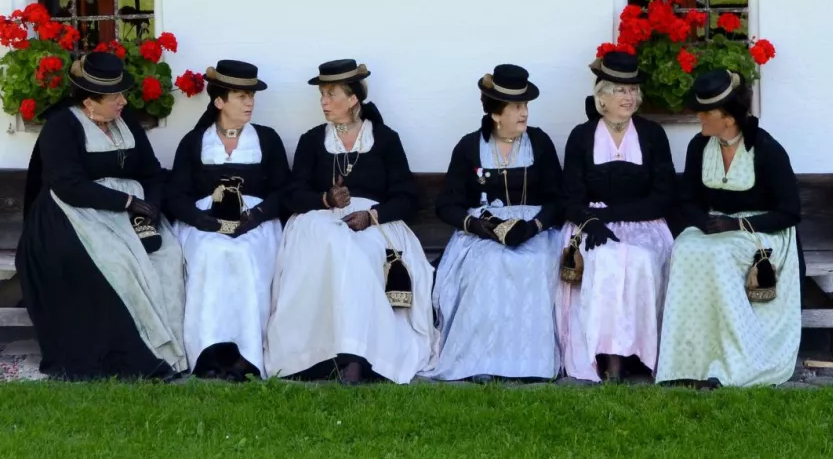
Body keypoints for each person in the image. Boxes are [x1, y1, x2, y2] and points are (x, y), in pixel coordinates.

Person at [17, 50, 187, 379]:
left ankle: (172, 351)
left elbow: (151, 172)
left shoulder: (128, 123)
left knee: (167, 255)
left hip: (131, 216)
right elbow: (66, 184)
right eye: (114, 96)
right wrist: (126, 201)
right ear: (90, 100)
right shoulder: (61, 126)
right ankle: (133, 357)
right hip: (70, 216)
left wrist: (149, 207)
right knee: (116, 263)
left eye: (122, 93)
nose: (123, 101)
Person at [266, 60, 433, 384]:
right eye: (322, 95)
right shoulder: (312, 140)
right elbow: (292, 193)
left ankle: (358, 354)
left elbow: (406, 196)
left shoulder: (384, 139)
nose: (323, 102)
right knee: (333, 243)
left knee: (359, 250)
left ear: (353, 98)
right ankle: (324, 354)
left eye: (331, 94)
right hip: (320, 220)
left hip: (375, 223)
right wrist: (325, 200)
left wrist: (372, 216)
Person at [657, 69, 802, 388]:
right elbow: (688, 198)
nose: (699, 117)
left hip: (762, 232)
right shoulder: (699, 147)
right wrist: (703, 223)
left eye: (706, 112)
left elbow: (790, 212)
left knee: (720, 254)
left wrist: (737, 224)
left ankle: (735, 361)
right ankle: (687, 362)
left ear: (728, 117)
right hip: (715, 227)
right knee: (685, 247)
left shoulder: (766, 150)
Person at [427, 64, 566, 381]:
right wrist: (475, 226)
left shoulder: (539, 144)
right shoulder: (469, 147)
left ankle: (531, 363)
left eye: (526, 106)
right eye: (517, 107)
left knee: (535, 264)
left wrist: (532, 227)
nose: (524, 113)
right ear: (496, 113)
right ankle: (481, 360)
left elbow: (559, 199)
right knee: (487, 265)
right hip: (483, 232)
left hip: (535, 231)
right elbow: (446, 203)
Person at [162, 60, 290, 380]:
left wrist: (257, 216)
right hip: (203, 222)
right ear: (219, 102)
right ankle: (209, 351)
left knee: (245, 256)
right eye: (241, 96)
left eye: (252, 96)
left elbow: (284, 191)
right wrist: (201, 220)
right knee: (211, 255)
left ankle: (245, 354)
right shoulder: (194, 142)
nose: (250, 103)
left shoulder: (267, 139)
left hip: (256, 223)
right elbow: (176, 194)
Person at [556, 50, 676, 382]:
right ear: (602, 97)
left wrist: (613, 215)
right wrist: (590, 220)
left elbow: (663, 196)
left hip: (645, 222)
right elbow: (569, 196)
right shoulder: (582, 136)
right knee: (605, 260)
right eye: (620, 90)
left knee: (638, 259)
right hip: (590, 224)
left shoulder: (652, 135)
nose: (629, 97)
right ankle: (607, 357)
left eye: (633, 90)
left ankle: (640, 354)